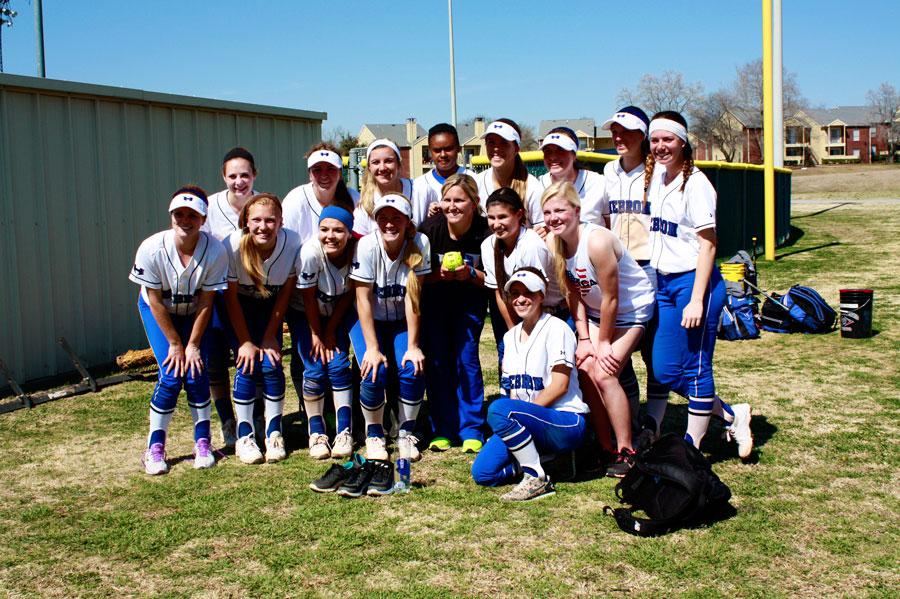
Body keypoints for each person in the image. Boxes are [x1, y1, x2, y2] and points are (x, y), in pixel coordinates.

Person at [645, 111, 753, 458]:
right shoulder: (660, 178)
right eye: (655, 139)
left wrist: (696, 299)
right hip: (664, 283)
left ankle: (693, 448)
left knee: (695, 366)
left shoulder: (697, 183)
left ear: (683, 141)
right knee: (663, 369)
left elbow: (708, 244)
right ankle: (734, 415)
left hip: (695, 284)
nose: (661, 146)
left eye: (668, 139)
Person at [542, 181, 656, 476]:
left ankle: (627, 448)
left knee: (605, 372)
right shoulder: (555, 243)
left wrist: (603, 342)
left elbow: (612, 298)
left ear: (577, 210)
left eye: (560, 210)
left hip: (631, 311)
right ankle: (605, 446)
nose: (553, 218)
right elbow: (573, 294)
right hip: (594, 313)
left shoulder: (597, 241)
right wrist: (584, 338)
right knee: (585, 368)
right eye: (547, 212)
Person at [130, 186, 228, 474]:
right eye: (179, 214)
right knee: (172, 375)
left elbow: (207, 303)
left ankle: (203, 442)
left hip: (195, 313)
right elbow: (155, 300)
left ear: (203, 218)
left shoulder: (215, 249)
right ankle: (154, 447)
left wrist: (193, 344)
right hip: (159, 312)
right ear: (171, 216)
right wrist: (175, 343)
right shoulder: (152, 247)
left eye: (192, 215)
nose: (185, 220)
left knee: (197, 371)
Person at [471, 268, 589, 501]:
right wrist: (518, 417)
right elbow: (513, 392)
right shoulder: (509, 337)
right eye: (515, 293)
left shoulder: (557, 328)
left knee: (499, 408)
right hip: (527, 421)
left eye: (528, 292)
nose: (521, 299)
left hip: (566, 421)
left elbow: (560, 386)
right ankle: (550, 464)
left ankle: (536, 478)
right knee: (483, 472)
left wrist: (520, 415)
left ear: (541, 296)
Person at [598, 106, 670, 439]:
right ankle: (634, 420)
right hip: (618, 270)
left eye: (626, 131)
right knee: (618, 353)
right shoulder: (609, 172)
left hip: (652, 267)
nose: (618, 137)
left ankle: (654, 422)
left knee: (655, 351)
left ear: (642, 136)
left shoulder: (661, 174)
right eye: (615, 131)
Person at [281, 143, 358, 432]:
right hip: (304, 286)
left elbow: (359, 243)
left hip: (339, 289)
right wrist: (317, 331)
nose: (324, 175)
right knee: (309, 361)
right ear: (310, 172)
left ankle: (344, 419)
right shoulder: (296, 198)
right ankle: (313, 415)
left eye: (331, 169)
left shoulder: (353, 197)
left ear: (340, 171)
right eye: (317, 169)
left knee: (338, 359)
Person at [349, 193, 431, 462]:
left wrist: (413, 345)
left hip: (399, 321)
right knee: (373, 370)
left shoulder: (420, 242)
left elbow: (414, 297)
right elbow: (362, 298)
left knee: (411, 367)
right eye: (383, 217)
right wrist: (372, 348)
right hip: (369, 319)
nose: (389, 223)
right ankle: (374, 433)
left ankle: (406, 433)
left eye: (397, 217)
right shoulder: (367, 246)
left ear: (408, 221)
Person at [223, 193, 301, 464]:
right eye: (256, 219)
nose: (263, 226)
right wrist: (245, 341)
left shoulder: (292, 242)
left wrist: (270, 335)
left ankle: (273, 430)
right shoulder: (233, 245)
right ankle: (245, 434)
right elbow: (230, 298)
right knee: (247, 363)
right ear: (246, 221)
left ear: (280, 222)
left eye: (270, 220)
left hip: (270, 309)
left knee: (271, 364)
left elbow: (285, 294)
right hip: (239, 308)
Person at [418, 174, 490, 453]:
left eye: (459, 200)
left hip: (469, 305)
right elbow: (418, 277)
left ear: (474, 203)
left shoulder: (484, 231)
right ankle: (442, 428)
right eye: (447, 200)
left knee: (467, 361)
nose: (452, 206)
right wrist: (441, 275)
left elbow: (495, 278)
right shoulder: (430, 230)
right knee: (438, 364)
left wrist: (469, 273)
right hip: (435, 304)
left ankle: (471, 427)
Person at [288, 205, 358, 460]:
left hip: (334, 315)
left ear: (349, 233)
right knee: (315, 368)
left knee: (338, 365)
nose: (330, 235)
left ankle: (344, 431)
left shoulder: (356, 251)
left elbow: (349, 293)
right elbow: (307, 298)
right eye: (324, 229)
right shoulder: (310, 252)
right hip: (305, 315)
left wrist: (329, 331)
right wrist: (317, 334)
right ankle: (316, 432)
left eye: (338, 230)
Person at [201, 147, 260, 448]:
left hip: (250, 294)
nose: (239, 181)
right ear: (224, 177)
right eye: (233, 175)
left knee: (249, 357)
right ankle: (227, 419)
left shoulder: (262, 205)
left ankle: (256, 417)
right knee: (214, 360)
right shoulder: (210, 207)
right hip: (215, 294)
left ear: (254, 175)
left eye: (245, 175)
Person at [480, 187, 564, 362]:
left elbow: (536, 295)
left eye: (503, 217)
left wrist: (528, 337)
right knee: (509, 358)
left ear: (519, 215)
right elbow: (499, 292)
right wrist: (514, 334)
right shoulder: (488, 245)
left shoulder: (531, 244)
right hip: (521, 310)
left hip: (554, 312)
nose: (496, 224)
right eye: (491, 217)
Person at [475, 119, 545, 227]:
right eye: (491, 142)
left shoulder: (533, 187)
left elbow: (542, 232)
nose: (496, 148)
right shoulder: (477, 182)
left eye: (504, 143)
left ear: (516, 148)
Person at [538, 127, 605, 225]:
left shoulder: (598, 183)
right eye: (547, 151)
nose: (552, 157)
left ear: (574, 155)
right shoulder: (538, 186)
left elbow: (611, 224)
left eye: (560, 150)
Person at [411, 123, 476, 223]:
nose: (443, 155)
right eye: (437, 150)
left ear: (458, 148)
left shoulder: (474, 179)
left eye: (448, 149)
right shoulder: (419, 185)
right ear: (430, 152)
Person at [354, 139, 414, 236]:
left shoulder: (419, 189)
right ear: (369, 167)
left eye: (388, 161)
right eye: (375, 162)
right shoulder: (364, 208)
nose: (382, 168)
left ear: (398, 164)